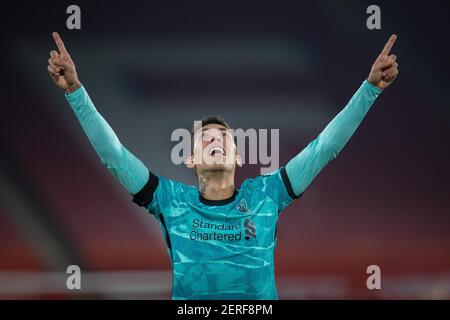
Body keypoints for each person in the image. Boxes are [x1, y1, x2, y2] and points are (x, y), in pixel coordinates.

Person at [47, 32, 399, 299]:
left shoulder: (267, 194)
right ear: (190, 159)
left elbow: (325, 148)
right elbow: (115, 156)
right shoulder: (170, 200)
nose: (214, 140)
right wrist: (75, 92)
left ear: (238, 157)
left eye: (223, 137)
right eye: (205, 138)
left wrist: (370, 89)